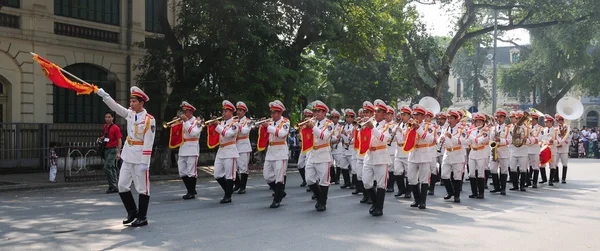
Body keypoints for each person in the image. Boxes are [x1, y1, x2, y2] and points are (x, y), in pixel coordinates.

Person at [97, 86, 156, 227]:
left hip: (140, 158)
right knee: (122, 185)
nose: (131, 104)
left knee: (143, 188)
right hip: (128, 155)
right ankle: (132, 212)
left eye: (134, 101)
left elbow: (149, 142)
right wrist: (104, 95)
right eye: (130, 101)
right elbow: (116, 107)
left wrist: (145, 162)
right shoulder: (129, 114)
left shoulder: (149, 120)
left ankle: (142, 217)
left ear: (142, 103)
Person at [362, 99, 392, 216]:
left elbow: (384, 138)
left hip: (381, 157)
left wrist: (372, 128)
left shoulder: (388, 126)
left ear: (384, 114)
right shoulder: (371, 123)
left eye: (378, 111)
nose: (375, 113)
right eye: (375, 111)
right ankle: (375, 202)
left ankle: (379, 207)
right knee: (367, 182)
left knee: (381, 184)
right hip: (369, 156)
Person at [304, 100, 334, 212]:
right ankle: (319, 196)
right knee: (309, 179)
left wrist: (312, 127)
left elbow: (324, 136)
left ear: (324, 112)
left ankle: (322, 202)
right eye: (314, 111)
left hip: (323, 155)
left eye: (318, 111)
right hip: (312, 154)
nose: (316, 113)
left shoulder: (329, 124)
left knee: (324, 181)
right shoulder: (312, 123)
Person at [262, 100, 290, 208]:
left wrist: (267, 127)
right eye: (271, 113)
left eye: (274, 113)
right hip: (270, 151)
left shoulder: (285, 122)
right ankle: (280, 192)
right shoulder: (270, 122)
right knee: (267, 176)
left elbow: (282, 134)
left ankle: (276, 199)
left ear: (279, 113)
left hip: (280, 152)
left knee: (279, 177)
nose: (272, 115)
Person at [210, 100, 240, 204]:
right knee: (217, 174)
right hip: (221, 151)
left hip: (230, 150)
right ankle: (228, 191)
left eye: (226, 111)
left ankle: (228, 196)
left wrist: (217, 126)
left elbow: (227, 134)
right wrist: (215, 124)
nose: (223, 113)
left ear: (231, 112)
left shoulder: (235, 123)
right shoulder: (222, 123)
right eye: (223, 111)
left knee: (230, 175)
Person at [406, 104, 435, 209]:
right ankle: (416, 199)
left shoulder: (429, 126)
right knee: (411, 178)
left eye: (418, 115)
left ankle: (422, 201)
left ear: (423, 116)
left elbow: (430, 139)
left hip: (424, 155)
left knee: (424, 179)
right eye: (414, 115)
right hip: (413, 154)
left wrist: (418, 129)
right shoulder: (410, 125)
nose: (416, 117)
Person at [438, 108, 467, 203]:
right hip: (447, 153)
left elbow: (462, 141)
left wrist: (452, 137)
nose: (449, 120)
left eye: (451, 118)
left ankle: (457, 196)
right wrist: (441, 139)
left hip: (457, 154)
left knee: (457, 176)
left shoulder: (462, 129)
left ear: (456, 119)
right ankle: (450, 191)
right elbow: (439, 139)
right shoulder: (445, 128)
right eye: (448, 118)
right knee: (444, 175)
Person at [177, 101, 202, 200]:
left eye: (185, 112)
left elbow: (194, 133)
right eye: (183, 111)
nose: (183, 114)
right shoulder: (183, 121)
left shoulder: (198, 122)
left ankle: (191, 192)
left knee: (192, 172)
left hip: (192, 148)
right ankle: (191, 189)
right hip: (183, 148)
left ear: (190, 112)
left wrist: (186, 121)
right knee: (182, 171)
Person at [465, 113, 490, 199]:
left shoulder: (486, 131)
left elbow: (479, 141)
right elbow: (468, 142)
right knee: (471, 173)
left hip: (481, 153)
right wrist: (465, 136)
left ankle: (481, 193)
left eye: (480, 122)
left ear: (483, 122)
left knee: (480, 173)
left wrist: (470, 136)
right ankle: (474, 192)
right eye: (477, 122)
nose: (478, 124)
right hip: (472, 152)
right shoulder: (472, 131)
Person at [98, 111, 122, 194]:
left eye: (109, 117)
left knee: (107, 167)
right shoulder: (106, 126)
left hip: (113, 149)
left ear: (112, 118)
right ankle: (114, 185)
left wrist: (119, 152)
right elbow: (107, 136)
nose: (107, 119)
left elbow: (119, 140)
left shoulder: (116, 128)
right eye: (106, 117)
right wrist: (101, 138)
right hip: (106, 149)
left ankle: (112, 185)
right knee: (111, 167)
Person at [393, 106, 412, 199]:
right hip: (398, 151)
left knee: (409, 173)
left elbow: (408, 138)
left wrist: (401, 132)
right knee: (397, 171)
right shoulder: (398, 125)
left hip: (407, 151)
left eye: (404, 115)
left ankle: (408, 191)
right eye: (401, 114)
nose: (402, 116)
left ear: (409, 116)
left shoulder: (411, 125)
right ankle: (401, 189)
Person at [235, 101, 252, 194]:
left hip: (244, 146)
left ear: (244, 112)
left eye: (241, 110)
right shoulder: (235, 120)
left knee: (243, 167)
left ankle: (243, 186)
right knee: (233, 167)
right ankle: (237, 184)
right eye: (238, 110)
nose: (238, 112)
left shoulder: (247, 121)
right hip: (234, 146)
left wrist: (238, 125)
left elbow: (245, 131)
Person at [339, 109, 356, 189]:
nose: (348, 119)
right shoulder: (344, 126)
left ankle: (354, 183)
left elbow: (353, 139)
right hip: (344, 148)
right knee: (343, 166)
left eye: (350, 117)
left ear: (353, 118)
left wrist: (346, 135)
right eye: (347, 117)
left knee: (353, 167)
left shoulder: (354, 127)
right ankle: (347, 182)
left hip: (351, 148)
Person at [298, 109, 314, 187]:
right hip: (304, 147)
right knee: (300, 164)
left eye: (309, 116)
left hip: (311, 147)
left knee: (308, 165)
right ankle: (305, 179)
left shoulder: (314, 124)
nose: (307, 118)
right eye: (306, 116)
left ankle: (311, 183)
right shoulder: (303, 126)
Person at [384, 105, 398, 193]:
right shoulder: (382, 124)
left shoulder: (395, 125)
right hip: (384, 149)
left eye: (389, 114)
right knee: (384, 168)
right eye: (386, 114)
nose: (387, 116)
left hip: (392, 148)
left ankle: (391, 186)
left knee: (391, 169)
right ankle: (384, 184)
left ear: (392, 115)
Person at [527, 113, 543, 188]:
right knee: (525, 166)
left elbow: (540, 138)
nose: (531, 121)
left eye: (532, 119)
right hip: (527, 149)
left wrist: (531, 140)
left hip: (535, 149)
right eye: (530, 119)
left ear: (536, 120)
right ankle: (527, 181)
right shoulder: (527, 127)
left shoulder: (540, 128)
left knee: (535, 166)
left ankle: (534, 182)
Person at [542, 114, 558, 186]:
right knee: (542, 164)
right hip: (545, 148)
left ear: (551, 122)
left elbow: (559, 140)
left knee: (552, 165)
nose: (546, 123)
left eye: (547, 122)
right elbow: (542, 138)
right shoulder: (544, 130)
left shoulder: (556, 130)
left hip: (552, 149)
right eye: (545, 122)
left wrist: (553, 142)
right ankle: (544, 178)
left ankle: (551, 180)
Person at [330, 109, 345, 185]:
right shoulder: (328, 125)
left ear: (338, 118)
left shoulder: (340, 127)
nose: (333, 119)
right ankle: (332, 178)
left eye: (335, 117)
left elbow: (339, 137)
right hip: (330, 146)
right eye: (332, 117)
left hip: (337, 146)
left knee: (338, 163)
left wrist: (333, 138)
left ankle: (337, 178)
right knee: (330, 163)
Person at [554, 114, 571, 184]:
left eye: (560, 120)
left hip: (564, 149)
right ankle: (556, 178)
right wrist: (556, 144)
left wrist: (562, 144)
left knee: (564, 164)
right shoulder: (555, 128)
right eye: (558, 120)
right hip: (557, 148)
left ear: (563, 120)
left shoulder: (567, 128)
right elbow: (554, 137)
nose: (559, 121)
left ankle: (563, 178)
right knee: (555, 163)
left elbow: (569, 139)